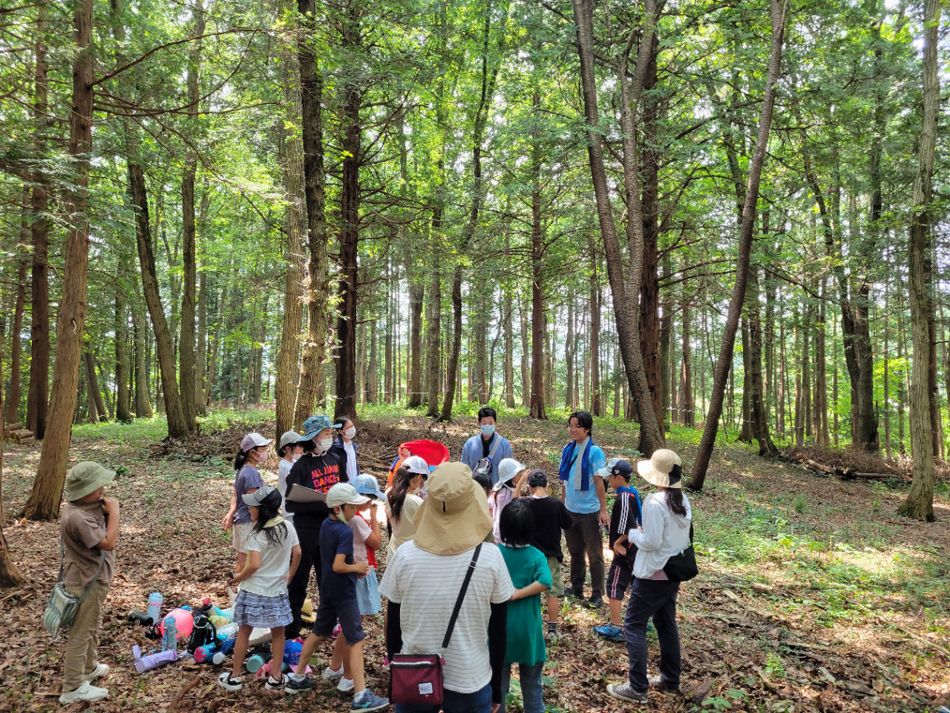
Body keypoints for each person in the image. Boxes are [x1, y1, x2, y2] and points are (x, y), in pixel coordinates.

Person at [379, 462, 514, 713]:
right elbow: (498, 631)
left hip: (413, 675)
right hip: (470, 679)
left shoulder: (405, 556)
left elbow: (393, 625)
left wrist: (395, 678)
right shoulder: (490, 557)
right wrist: (496, 686)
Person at [290, 483, 390, 711]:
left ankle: (297, 679)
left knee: (318, 632)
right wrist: (357, 568)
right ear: (337, 508)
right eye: (351, 507)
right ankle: (360, 695)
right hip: (344, 592)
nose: (355, 511)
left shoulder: (326, 525)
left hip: (327, 589)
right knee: (356, 639)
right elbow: (338, 565)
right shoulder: (345, 531)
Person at [607, 450, 691, 704]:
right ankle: (670, 680)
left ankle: (637, 687)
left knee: (633, 625)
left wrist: (633, 534)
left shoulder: (655, 501)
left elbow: (652, 541)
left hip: (653, 573)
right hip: (673, 570)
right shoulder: (681, 499)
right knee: (666, 624)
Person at [218, 486, 305, 693]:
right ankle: (275, 677)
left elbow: (254, 565)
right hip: (277, 591)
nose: (249, 508)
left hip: (253, 589)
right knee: (278, 633)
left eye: (253, 506)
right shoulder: (287, 527)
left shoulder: (255, 533)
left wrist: (236, 578)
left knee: (244, 632)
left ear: (263, 509)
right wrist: (290, 575)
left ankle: (235, 677)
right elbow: (298, 553)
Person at [58, 462, 119, 704]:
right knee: (81, 633)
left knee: (90, 626)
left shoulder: (80, 508)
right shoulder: (79, 518)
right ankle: (72, 688)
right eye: (98, 486)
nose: (103, 489)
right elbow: (108, 542)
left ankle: (89, 667)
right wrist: (114, 512)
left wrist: (104, 508)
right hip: (86, 582)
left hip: (90, 578)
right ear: (85, 492)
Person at [323, 474, 386, 693]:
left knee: (347, 627)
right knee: (352, 628)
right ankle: (348, 677)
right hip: (359, 572)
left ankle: (334, 667)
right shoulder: (358, 519)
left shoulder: (342, 518)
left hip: (348, 573)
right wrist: (375, 517)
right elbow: (376, 543)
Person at [285, 415, 345, 640]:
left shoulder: (335, 458)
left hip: (330, 529)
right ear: (313, 438)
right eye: (326, 433)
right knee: (298, 581)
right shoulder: (300, 467)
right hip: (305, 532)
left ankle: (327, 625)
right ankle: (291, 631)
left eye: (331, 433)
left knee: (327, 578)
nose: (330, 437)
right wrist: (320, 503)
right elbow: (290, 503)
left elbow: (344, 486)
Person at [497, 500, 551, 713]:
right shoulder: (536, 555)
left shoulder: (496, 553)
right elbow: (546, 581)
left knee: (497, 690)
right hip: (529, 632)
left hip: (499, 631)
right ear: (530, 528)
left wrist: (512, 592)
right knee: (532, 687)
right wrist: (520, 592)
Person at [558, 410, 607, 609]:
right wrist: (561, 505)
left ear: (587, 428)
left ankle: (597, 594)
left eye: (577, 426)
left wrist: (603, 510)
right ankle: (576, 588)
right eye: (571, 425)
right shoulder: (568, 449)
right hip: (570, 509)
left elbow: (599, 481)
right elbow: (564, 480)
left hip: (590, 511)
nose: (573, 429)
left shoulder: (595, 452)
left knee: (594, 554)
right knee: (575, 552)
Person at [593, 460, 642, 643]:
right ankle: (642, 620)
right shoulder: (633, 494)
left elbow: (627, 527)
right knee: (637, 584)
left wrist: (617, 543)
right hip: (635, 548)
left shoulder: (623, 497)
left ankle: (614, 627)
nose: (608, 482)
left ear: (619, 478)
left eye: (610, 478)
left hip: (625, 551)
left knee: (614, 585)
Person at [524, 470, 573, 641]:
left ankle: (531, 628)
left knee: (530, 592)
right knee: (552, 593)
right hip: (550, 556)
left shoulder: (524, 504)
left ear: (528, 486)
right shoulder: (555, 505)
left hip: (529, 555)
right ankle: (552, 630)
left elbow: (512, 504)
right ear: (547, 485)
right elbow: (568, 523)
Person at [223, 433, 272, 575]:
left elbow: (235, 494)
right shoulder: (250, 472)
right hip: (249, 520)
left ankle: (240, 588)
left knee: (243, 556)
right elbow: (253, 500)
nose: (266, 452)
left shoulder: (243, 469)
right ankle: (241, 589)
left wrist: (232, 513)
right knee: (247, 558)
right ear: (253, 452)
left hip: (242, 519)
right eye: (263, 449)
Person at [384, 456, 428, 557]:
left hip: (394, 552)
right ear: (419, 478)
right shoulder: (416, 502)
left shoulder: (389, 494)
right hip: (412, 554)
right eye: (423, 481)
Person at [460, 407, 513, 486]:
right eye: (484, 423)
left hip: (497, 492)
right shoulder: (470, 444)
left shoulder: (504, 444)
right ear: (479, 424)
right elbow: (464, 469)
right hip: (474, 491)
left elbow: (509, 469)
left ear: (495, 423)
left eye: (490, 423)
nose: (487, 426)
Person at [489, 459, 530, 544]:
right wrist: (521, 481)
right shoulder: (505, 493)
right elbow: (514, 501)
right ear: (512, 475)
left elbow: (490, 507)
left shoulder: (498, 488)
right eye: (518, 473)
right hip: (503, 534)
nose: (520, 475)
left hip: (498, 532)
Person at [277, 430, 305, 524]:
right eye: (299, 446)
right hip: (290, 509)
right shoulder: (284, 465)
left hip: (298, 506)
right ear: (288, 449)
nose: (302, 449)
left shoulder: (295, 461)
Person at [331, 417, 361, 484]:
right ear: (340, 431)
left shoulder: (353, 445)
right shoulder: (336, 447)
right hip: (343, 485)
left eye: (352, 426)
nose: (351, 429)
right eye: (348, 427)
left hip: (355, 484)